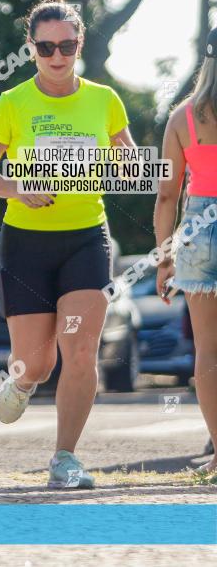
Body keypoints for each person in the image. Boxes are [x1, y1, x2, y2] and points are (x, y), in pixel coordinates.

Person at [0, 0, 134, 489]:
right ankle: (21, 381)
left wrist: (125, 163)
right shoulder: (12, 103)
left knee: (80, 351)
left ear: (80, 44)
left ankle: (64, 458)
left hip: (85, 239)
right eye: (46, 47)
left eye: (67, 45)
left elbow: (130, 161)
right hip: (26, 244)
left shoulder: (104, 99)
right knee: (38, 362)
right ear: (31, 48)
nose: (57, 56)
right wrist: (19, 188)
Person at [154, 27, 217, 474]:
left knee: (208, 353)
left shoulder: (182, 119)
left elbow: (166, 197)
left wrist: (164, 258)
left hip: (197, 228)